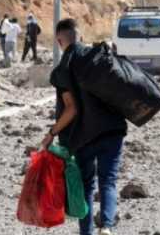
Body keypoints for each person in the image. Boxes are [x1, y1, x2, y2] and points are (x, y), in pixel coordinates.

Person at [41, 19, 127, 235]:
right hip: (112, 130)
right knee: (108, 180)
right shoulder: (99, 56)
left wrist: (52, 133)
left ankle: (86, 232)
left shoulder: (63, 69)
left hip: (83, 137)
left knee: (86, 186)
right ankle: (106, 226)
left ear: (60, 41)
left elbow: (71, 109)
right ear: (79, 36)